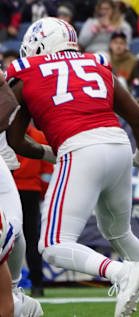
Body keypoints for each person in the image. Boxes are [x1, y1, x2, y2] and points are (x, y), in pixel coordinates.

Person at [6, 17, 139, 316]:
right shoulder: (96, 64)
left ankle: (119, 273)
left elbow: (15, 139)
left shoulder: (28, 71)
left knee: (53, 245)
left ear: (41, 45)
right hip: (119, 144)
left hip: (80, 147)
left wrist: (53, 154)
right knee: (120, 233)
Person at [13, 125, 53, 298]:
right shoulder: (39, 136)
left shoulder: (6, 134)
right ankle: (37, 284)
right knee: (31, 238)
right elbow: (47, 171)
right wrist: (42, 192)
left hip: (9, 191)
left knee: (6, 236)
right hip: (32, 191)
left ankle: (8, 285)